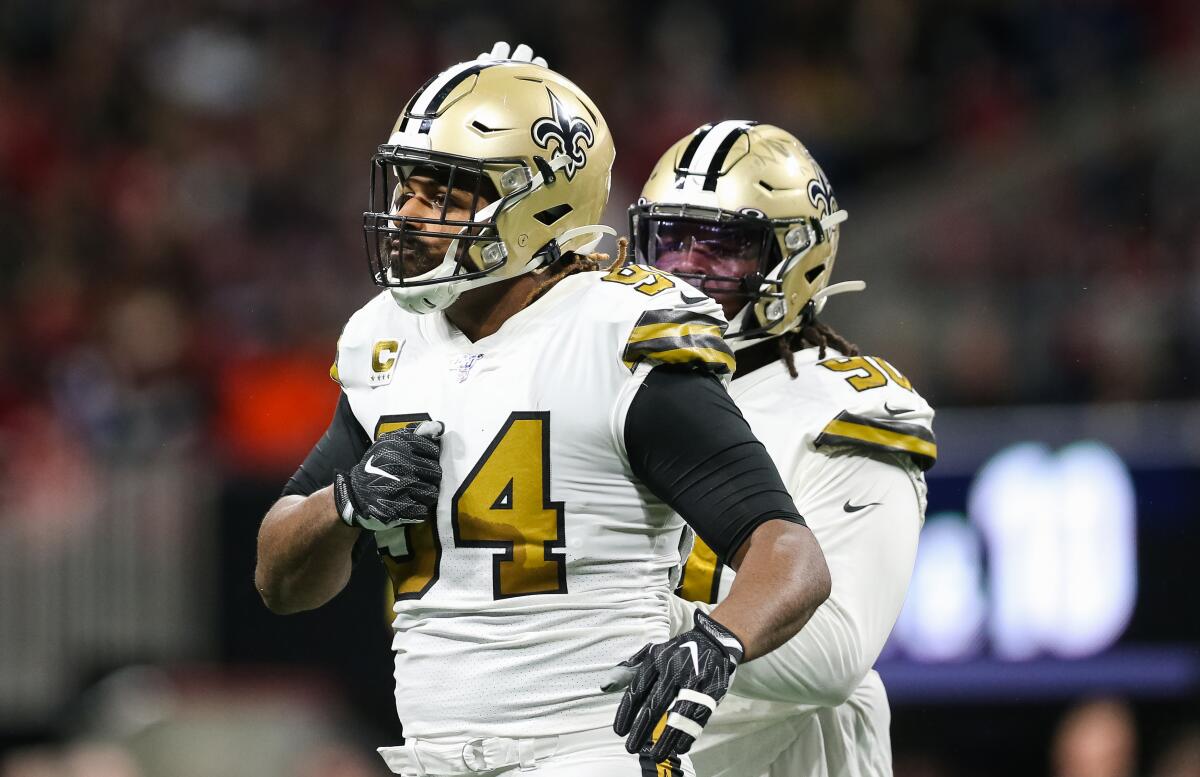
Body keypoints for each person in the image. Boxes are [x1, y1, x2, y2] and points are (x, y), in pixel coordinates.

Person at [254, 51, 832, 777]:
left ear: (543, 206)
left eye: (444, 194)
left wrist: (717, 640)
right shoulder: (387, 339)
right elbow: (278, 578)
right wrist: (341, 504)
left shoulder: (615, 335)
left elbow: (790, 552)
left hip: (589, 752)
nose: (406, 213)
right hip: (430, 755)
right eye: (407, 187)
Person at [629, 121, 936, 777]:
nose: (686, 265)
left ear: (798, 256)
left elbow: (835, 652)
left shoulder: (851, 408)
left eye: (720, 245)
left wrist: (606, 602)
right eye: (669, 238)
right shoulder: (617, 377)